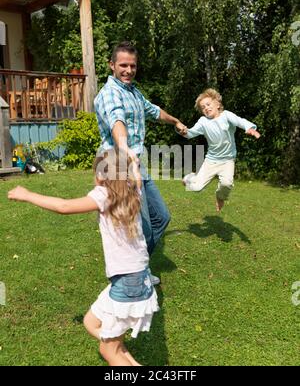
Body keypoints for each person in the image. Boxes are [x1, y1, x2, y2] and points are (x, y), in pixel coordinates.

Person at [8, 149, 159, 366]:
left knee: (108, 351)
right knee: (91, 323)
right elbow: (137, 178)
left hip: (128, 282)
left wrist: (27, 195)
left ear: (100, 175)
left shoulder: (104, 194)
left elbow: (64, 206)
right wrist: (133, 162)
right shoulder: (132, 189)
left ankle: (117, 355)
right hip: (137, 278)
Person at [94, 41, 187, 284]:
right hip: (117, 166)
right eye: (123, 65)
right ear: (112, 65)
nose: (128, 70)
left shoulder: (134, 92)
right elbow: (117, 120)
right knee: (140, 228)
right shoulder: (109, 94)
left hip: (136, 165)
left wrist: (175, 120)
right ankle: (130, 274)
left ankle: (136, 268)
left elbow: (154, 111)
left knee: (161, 217)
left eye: (132, 66)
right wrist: (124, 148)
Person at [180, 88, 260, 211]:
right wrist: (184, 131)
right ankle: (189, 178)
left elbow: (240, 121)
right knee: (196, 188)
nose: (206, 108)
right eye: (203, 107)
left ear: (217, 104)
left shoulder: (226, 115)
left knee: (227, 184)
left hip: (228, 161)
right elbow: (191, 133)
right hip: (211, 161)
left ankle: (220, 197)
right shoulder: (203, 122)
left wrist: (249, 128)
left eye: (208, 104)